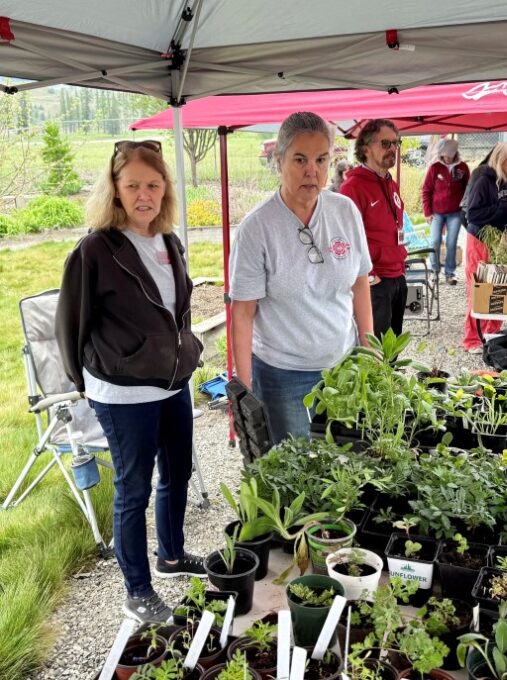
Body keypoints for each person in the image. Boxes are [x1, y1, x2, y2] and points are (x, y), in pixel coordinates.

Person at [55, 140, 205, 624]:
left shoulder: (169, 241)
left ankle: (172, 555)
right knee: (133, 488)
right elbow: (70, 325)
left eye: (154, 185)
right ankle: (137, 593)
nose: (145, 195)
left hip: (171, 383)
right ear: (115, 190)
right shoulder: (95, 249)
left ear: (165, 191)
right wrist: (90, 382)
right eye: (133, 185)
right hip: (122, 393)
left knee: (177, 472)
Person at [230, 112, 373, 443]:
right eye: (300, 159)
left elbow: (360, 283)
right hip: (284, 375)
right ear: (279, 162)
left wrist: (369, 352)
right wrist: (244, 388)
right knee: (297, 471)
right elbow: (243, 311)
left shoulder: (345, 212)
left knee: (348, 465)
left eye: (321, 159)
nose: (313, 170)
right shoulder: (257, 229)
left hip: (344, 366)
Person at [462, 142, 507, 353]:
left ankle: (491, 334)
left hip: (506, 242)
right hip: (481, 240)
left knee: (501, 288)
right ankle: (472, 339)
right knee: (480, 289)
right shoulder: (484, 179)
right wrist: (506, 206)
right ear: (499, 158)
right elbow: (473, 214)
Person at [340, 119, 406, 337]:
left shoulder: (389, 182)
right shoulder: (353, 187)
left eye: (396, 143)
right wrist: (369, 275)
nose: (393, 149)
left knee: (393, 347)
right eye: (386, 144)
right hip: (375, 281)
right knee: (373, 351)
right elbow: (345, 238)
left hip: (396, 275)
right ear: (366, 149)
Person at [421, 138, 470, 285]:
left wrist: (464, 206)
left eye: (449, 155)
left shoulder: (463, 168)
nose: (447, 158)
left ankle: (450, 274)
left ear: (455, 153)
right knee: (435, 241)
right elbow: (426, 190)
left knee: (451, 242)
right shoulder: (434, 168)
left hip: (455, 212)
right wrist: (427, 212)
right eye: (444, 155)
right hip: (437, 212)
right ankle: (434, 271)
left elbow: (468, 189)